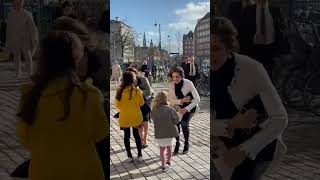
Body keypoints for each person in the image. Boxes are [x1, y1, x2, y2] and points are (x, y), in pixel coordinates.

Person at [16, 31, 108, 180]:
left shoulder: (29, 95)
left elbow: (25, 139)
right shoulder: (89, 95)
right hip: (84, 172)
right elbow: (100, 133)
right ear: (77, 59)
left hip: (43, 172)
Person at [211, 17, 288, 180]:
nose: (210, 56)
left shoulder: (251, 68)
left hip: (257, 146)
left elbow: (280, 118)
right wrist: (230, 124)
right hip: (220, 151)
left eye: (216, 49)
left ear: (228, 47)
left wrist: (243, 151)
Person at [226, 0, 290, 77]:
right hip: (253, 52)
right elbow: (242, 33)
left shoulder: (276, 11)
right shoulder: (248, 10)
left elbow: (282, 32)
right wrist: (252, 40)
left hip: (271, 54)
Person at [168, 67, 200, 154]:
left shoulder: (188, 83)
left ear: (182, 76)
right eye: (173, 76)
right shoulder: (171, 84)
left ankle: (186, 143)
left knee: (184, 123)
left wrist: (186, 109)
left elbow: (197, 99)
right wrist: (181, 101)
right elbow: (170, 100)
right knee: (176, 124)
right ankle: (177, 143)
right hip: (178, 107)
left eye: (177, 77)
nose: (175, 79)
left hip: (190, 107)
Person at [115, 71, 144, 162]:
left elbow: (117, 105)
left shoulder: (119, 91)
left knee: (126, 136)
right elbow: (141, 103)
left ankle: (129, 156)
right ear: (133, 80)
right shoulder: (137, 91)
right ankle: (139, 155)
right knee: (137, 136)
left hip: (124, 117)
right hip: (136, 116)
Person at [5, 0, 38, 77]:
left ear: (22, 4)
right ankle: (18, 72)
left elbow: (32, 28)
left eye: (20, 3)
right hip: (15, 38)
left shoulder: (27, 14)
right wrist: (8, 40)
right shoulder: (10, 14)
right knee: (16, 55)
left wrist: (34, 38)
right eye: (16, 3)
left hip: (25, 38)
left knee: (27, 54)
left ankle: (30, 72)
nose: (18, 5)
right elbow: (9, 28)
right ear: (13, 4)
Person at [151, 91, 180, 171]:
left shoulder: (154, 110)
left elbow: (153, 119)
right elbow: (176, 121)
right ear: (166, 99)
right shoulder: (171, 109)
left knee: (162, 150)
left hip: (160, 133)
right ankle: (168, 161)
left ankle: (163, 165)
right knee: (169, 148)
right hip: (170, 133)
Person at [127, 67, 154, 148]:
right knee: (138, 121)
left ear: (136, 74)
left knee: (145, 120)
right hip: (136, 103)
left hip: (147, 99)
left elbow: (148, 92)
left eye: (133, 75)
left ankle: (145, 140)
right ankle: (140, 138)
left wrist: (139, 93)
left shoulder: (143, 79)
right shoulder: (128, 82)